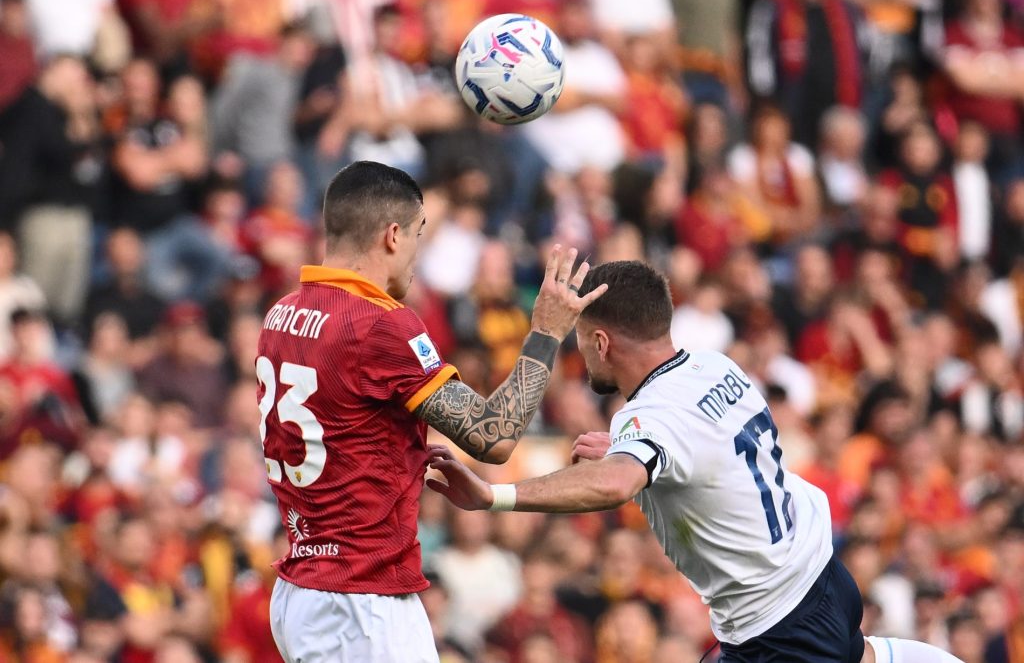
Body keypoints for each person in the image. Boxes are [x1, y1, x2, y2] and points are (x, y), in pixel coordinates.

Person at [427, 260, 965, 663]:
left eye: (582, 345)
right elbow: (699, 464)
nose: (582, 356)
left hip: (778, 627)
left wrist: (492, 497)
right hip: (823, 579)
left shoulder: (652, 417)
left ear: (600, 340)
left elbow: (617, 483)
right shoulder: (715, 366)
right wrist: (626, 456)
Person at [257, 160, 606, 663]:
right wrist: (547, 332)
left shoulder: (281, 313)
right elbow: (495, 435)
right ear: (393, 236)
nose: (420, 253)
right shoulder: (381, 325)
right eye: (421, 234)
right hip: (361, 600)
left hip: (303, 587)